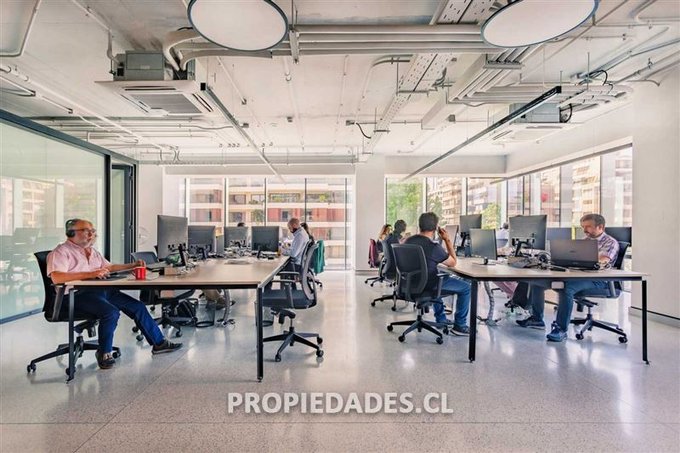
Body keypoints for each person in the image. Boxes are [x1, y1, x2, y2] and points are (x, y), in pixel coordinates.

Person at [47, 219, 182, 370]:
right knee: (110, 312)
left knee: (137, 306)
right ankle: (104, 352)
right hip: (76, 295)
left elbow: (109, 267)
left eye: (92, 230)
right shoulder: (61, 252)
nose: (91, 234)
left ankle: (159, 343)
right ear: (71, 233)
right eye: (86, 230)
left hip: (100, 290)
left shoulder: (92, 251)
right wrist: (91, 274)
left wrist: (132, 265)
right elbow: (57, 277)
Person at [517, 213, 620, 342]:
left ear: (601, 227)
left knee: (567, 288)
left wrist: (580, 257)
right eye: (583, 227)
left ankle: (561, 329)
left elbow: (603, 260)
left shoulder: (611, 242)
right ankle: (537, 319)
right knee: (537, 282)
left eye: (588, 226)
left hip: (599, 281)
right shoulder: (585, 241)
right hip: (579, 276)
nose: (585, 230)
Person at [405, 212, 471, 336]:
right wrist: (447, 239)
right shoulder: (433, 247)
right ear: (436, 228)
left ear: (420, 225)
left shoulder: (408, 241)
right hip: (428, 285)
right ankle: (460, 325)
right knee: (466, 288)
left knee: (438, 275)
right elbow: (453, 262)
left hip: (409, 284)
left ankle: (441, 319)